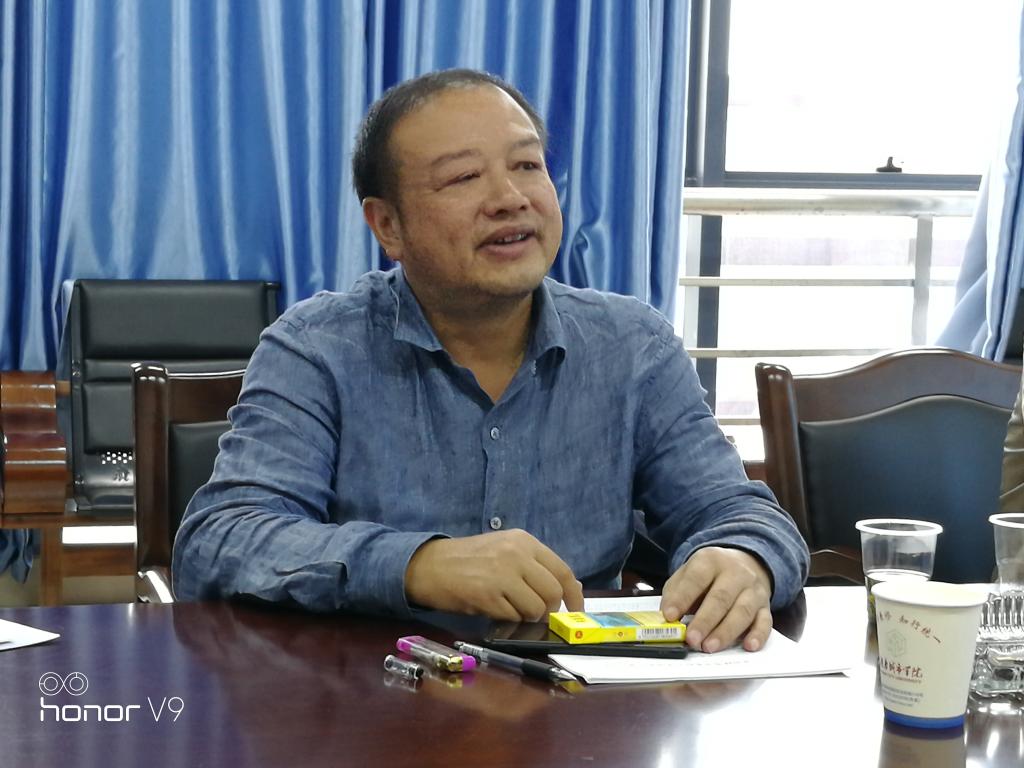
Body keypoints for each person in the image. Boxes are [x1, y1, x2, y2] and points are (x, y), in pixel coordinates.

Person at [172, 69, 809, 654]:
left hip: (585, 703)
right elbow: (220, 540)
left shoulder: (633, 345)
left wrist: (743, 558)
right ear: (388, 226)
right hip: (376, 694)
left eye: (527, 165)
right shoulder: (316, 348)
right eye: (462, 178)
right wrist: (418, 565)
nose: (509, 198)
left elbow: (739, 512)